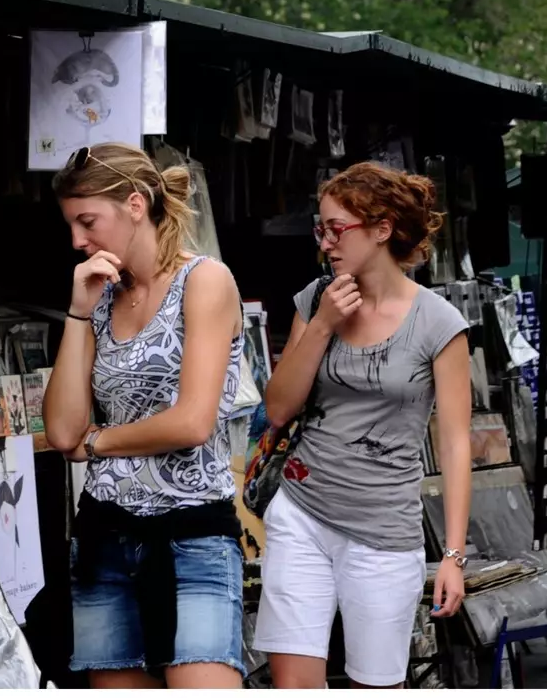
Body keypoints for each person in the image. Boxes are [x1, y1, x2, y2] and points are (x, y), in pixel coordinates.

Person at [253, 164, 472, 689]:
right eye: (320, 228)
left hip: (383, 531)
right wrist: (324, 322)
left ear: (382, 229)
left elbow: (456, 442)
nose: (326, 242)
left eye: (337, 228)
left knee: (376, 684)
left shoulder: (438, 322)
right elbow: (278, 408)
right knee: (292, 683)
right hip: (302, 511)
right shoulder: (318, 298)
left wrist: (453, 555)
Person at [42, 142, 248, 688]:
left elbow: (192, 422)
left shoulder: (204, 281)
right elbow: (61, 430)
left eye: (88, 221)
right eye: (71, 225)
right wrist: (79, 312)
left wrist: (99, 442)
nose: (78, 241)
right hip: (106, 534)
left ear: (136, 205)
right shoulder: (102, 297)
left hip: (192, 533)